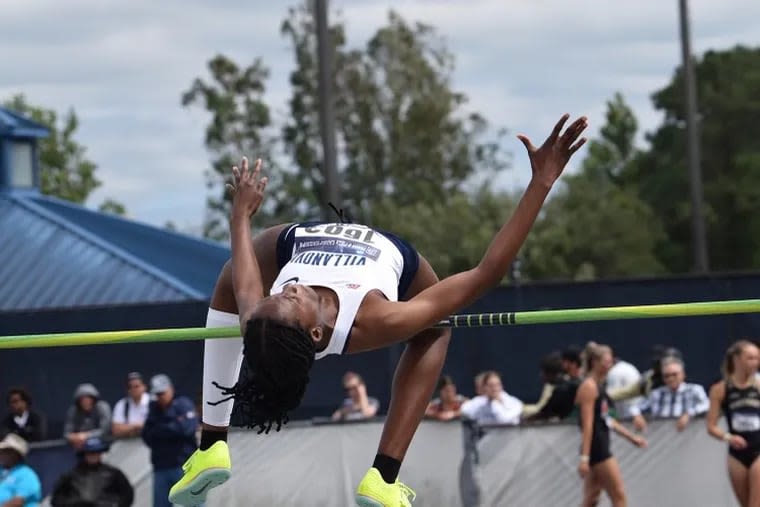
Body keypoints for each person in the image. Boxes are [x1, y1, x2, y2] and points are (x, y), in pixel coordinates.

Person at [168, 114, 589, 507]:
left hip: (292, 241)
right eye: (290, 298)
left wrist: (240, 214)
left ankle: (210, 445)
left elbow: (243, 283)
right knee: (436, 329)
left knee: (230, 279)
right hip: (396, 260)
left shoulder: (262, 319)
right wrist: (542, 182)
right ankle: (383, 476)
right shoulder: (378, 318)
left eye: (279, 292)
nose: (289, 286)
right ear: (316, 333)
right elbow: (485, 273)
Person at [576, 342, 647, 507]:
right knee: (619, 497)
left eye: (610, 361)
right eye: (606, 362)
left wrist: (632, 438)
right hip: (597, 448)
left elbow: (609, 419)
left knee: (591, 499)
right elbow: (587, 425)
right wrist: (585, 458)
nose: (610, 365)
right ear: (595, 362)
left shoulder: (600, 386)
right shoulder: (589, 387)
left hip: (600, 443)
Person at [706, 340, 760, 507]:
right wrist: (728, 437)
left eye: (757, 358)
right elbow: (711, 426)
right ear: (736, 360)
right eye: (750, 358)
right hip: (736, 453)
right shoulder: (720, 389)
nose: (755, 362)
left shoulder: (758, 385)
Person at [141, 374, 199, 507]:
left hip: (185, 466)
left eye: (163, 393)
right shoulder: (153, 409)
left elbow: (187, 428)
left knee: (193, 503)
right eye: (158, 394)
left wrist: (161, 429)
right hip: (161, 467)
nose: (160, 397)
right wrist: (172, 426)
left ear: (171, 389)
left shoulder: (183, 403)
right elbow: (146, 435)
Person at [50, 436, 134, 507]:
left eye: (96, 453)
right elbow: (56, 499)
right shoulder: (70, 476)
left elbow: (127, 495)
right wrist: (76, 503)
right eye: (90, 453)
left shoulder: (113, 474)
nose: (93, 456)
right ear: (84, 454)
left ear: (100, 454)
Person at [0, 433, 42, 507]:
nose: (1, 454)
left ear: (15, 454)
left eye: (6, 451)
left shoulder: (27, 474)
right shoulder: (2, 471)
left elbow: (18, 502)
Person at [111, 372, 149, 439]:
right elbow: (116, 430)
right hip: (127, 440)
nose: (134, 389)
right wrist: (137, 426)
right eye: (130, 387)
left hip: (149, 440)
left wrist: (127, 427)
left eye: (136, 386)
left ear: (144, 387)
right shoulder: (121, 404)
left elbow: (157, 426)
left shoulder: (152, 402)